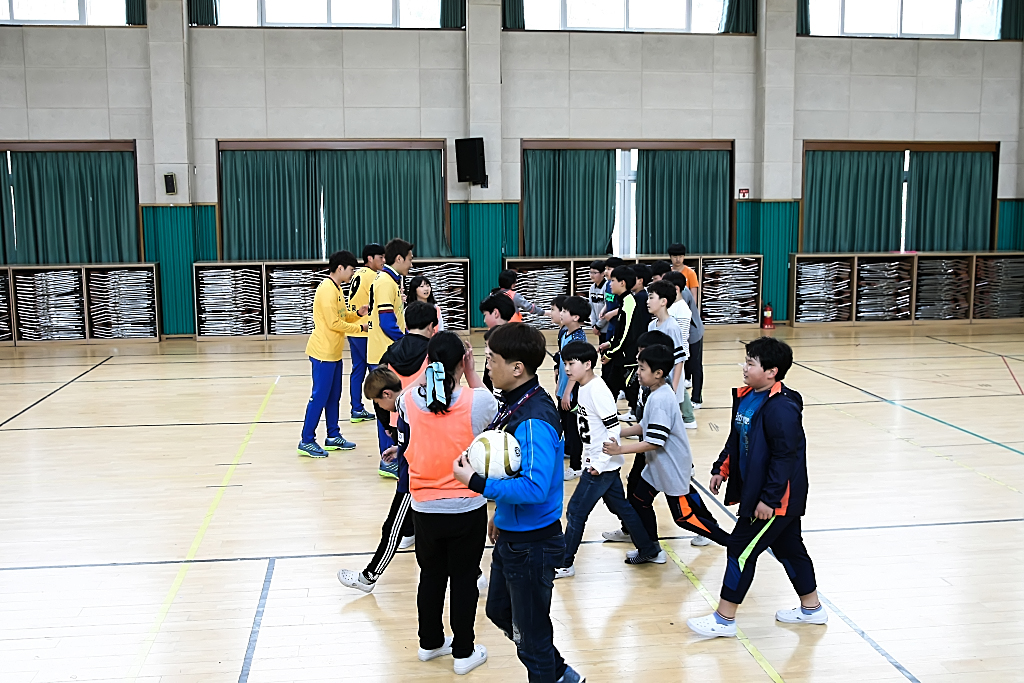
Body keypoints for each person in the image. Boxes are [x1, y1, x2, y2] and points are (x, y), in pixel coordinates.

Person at [452, 323, 584, 683]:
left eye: (491, 359)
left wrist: (477, 483)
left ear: (517, 368)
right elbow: (512, 471)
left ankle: (553, 674)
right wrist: (499, 511)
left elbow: (535, 488)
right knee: (499, 610)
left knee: (532, 637)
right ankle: (560, 674)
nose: (487, 365)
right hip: (513, 533)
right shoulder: (516, 403)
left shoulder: (534, 419)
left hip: (533, 544)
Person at [687, 337, 825, 638]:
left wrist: (769, 500)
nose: (745, 368)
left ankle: (724, 619)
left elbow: (785, 458)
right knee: (789, 547)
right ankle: (812, 609)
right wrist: (721, 468)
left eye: (751, 363)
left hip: (776, 500)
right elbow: (737, 438)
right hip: (760, 493)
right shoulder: (748, 396)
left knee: (739, 549)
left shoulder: (782, 408)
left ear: (772, 371)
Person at [397, 332, 496, 674]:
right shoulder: (475, 401)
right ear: (461, 362)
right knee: (464, 579)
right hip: (466, 505)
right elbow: (492, 409)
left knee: (431, 577)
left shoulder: (407, 400)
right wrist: (470, 372)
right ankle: (463, 651)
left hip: (424, 504)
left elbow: (418, 415)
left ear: (428, 361)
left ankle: (429, 643)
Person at [603, 345, 730, 553]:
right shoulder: (656, 392)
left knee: (683, 518)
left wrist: (620, 450)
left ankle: (731, 543)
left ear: (658, 373)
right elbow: (645, 426)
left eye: (642, 368)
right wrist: (616, 431)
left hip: (670, 466)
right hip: (657, 466)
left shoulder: (661, 398)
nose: (638, 372)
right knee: (638, 500)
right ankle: (651, 549)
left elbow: (655, 441)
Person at [555, 341, 664, 579]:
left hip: (600, 466)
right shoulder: (583, 387)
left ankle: (565, 563)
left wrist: (599, 463)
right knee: (621, 507)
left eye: (571, 364)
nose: (567, 369)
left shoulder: (597, 389)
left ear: (587, 364)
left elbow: (613, 430)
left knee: (575, 511)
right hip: (600, 462)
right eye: (565, 364)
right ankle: (648, 548)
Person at [298, 250, 367, 458]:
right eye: (351, 269)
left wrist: (357, 314)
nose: (352, 273)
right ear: (340, 268)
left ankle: (333, 435)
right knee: (319, 397)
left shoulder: (337, 288)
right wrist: (361, 329)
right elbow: (334, 323)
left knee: (334, 396)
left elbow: (342, 315)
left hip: (334, 353)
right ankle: (307, 440)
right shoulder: (327, 290)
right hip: (323, 353)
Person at [369, 238, 415, 478]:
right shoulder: (386, 282)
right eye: (409, 259)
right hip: (382, 354)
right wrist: (406, 342)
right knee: (385, 408)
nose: (411, 264)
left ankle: (391, 456)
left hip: (386, 352)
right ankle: (387, 459)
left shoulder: (392, 281)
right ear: (398, 259)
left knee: (389, 408)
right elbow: (387, 322)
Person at [646, 280, 696, 430]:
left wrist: (673, 389)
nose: (647, 302)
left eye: (651, 297)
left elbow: (679, 360)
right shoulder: (651, 325)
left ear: (663, 301)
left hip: (668, 381)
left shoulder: (672, 327)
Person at [598, 265, 646, 412]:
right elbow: (621, 332)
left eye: (613, 280)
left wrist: (610, 354)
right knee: (610, 388)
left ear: (622, 283)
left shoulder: (630, 303)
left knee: (632, 392)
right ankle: (606, 419)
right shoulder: (624, 301)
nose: (610, 284)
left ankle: (639, 422)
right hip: (621, 356)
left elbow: (627, 335)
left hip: (628, 359)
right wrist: (609, 343)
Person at [347, 243, 385, 424]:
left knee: (358, 370)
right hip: (365, 330)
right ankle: (383, 408)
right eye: (381, 257)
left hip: (354, 328)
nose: (383, 261)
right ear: (370, 258)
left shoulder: (357, 274)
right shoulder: (373, 276)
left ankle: (356, 408)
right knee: (376, 370)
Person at [556, 296, 589, 481]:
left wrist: (568, 391)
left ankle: (576, 466)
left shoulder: (579, 338)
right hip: (563, 388)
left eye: (564, 311)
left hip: (572, 390)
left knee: (574, 427)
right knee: (564, 424)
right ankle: (568, 451)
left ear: (575, 317)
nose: (561, 314)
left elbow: (576, 370)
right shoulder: (564, 332)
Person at [664, 271, 705, 410]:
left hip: (694, 333)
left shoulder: (683, 297)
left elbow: (683, 325)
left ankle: (697, 398)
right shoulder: (671, 299)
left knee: (695, 365)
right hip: (682, 338)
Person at [478, 294, 516, 395]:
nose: (484, 320)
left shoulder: (497, 341)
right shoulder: (514, 336)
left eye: (485, 315)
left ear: (495, 313)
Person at [600, 257, 625, 343]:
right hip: (610, 323)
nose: (606, 271)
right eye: (605, 269)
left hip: (619, 322)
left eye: (609, 269)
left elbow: (624, 306)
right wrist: (604, 309)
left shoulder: (620, 286)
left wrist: (611, 313)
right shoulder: (607, 284)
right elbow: (608, 300)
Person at [587, 260, 608, 343]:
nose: (591, 275)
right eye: (590, 272)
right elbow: (591, 307)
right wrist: (594, 325)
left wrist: (599, 326)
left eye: (594, 273)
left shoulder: (607, 287)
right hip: (598, 328)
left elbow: (608, 307)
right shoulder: (592, 288)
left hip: (607, 327)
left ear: (603, 273)